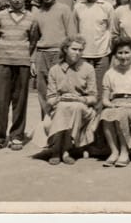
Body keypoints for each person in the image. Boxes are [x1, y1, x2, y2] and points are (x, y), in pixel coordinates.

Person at [0, 0, 38, 151]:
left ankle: (17, 136)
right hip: (2, 63)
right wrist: (2, 54)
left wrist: (23, 55)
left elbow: (33, 40)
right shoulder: (0, 16)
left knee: (20, 101)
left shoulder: (31, 17)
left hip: (22, 63)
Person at [44, 35, 98, 165]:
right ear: (65, 49)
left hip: (83, 109)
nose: (78, 53)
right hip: (59, 108)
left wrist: (80, 99)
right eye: (74, 49)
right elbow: (50, 98)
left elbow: (93, 98)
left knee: (75, 107)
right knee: (65, 107)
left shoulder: (88, 68)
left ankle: (59, 150)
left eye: (80, 50)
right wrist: (60, 99)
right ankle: (63, 151)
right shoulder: (55, 70)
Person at [31, 0, 76, 119]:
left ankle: (62, 125)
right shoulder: (37, 14)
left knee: (62, 90)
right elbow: (34, 40)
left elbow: (71, 36)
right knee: (43, 92)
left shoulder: (64, 9)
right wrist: (32, 61)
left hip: (59, 54)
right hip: (42, 55)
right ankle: (46, 125)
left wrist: (69, 58)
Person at [100, 38, 131, 167]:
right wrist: (112, 104)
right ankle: (114, 151)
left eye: (126, 52)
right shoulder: (110, 73)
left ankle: (124, 151)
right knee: (106, 114)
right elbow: (105, 99)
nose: (123, 56)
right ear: (115, 55)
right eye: (120, 53)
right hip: (116, 103)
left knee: (120, 114)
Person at [73, 0, 114, 110]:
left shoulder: (107, 7)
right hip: (83, 56)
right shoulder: (78, 7)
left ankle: (97, 127)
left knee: (100, 92)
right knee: (83, 91)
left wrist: (109, 50)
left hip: (101, 55)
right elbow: (75, 32)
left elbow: (112, 30)